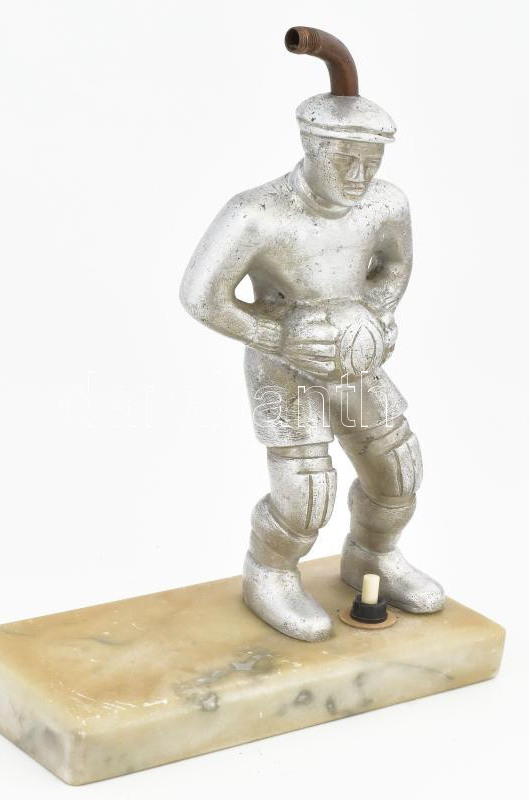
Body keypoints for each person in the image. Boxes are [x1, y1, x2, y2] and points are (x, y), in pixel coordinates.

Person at [180, 27, 444, 641]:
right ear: (311, 146)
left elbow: (393, 266)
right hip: (283, 363)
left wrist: (379, 316)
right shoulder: (257, 213)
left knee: (396, 469)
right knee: (305, 492)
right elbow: (200, 295)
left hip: (353, 357)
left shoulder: (386, 204)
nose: (358, 175)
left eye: (371, 162)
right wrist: (276, 337)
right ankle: (269, 571)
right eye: (344, 160)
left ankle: (372, 556)